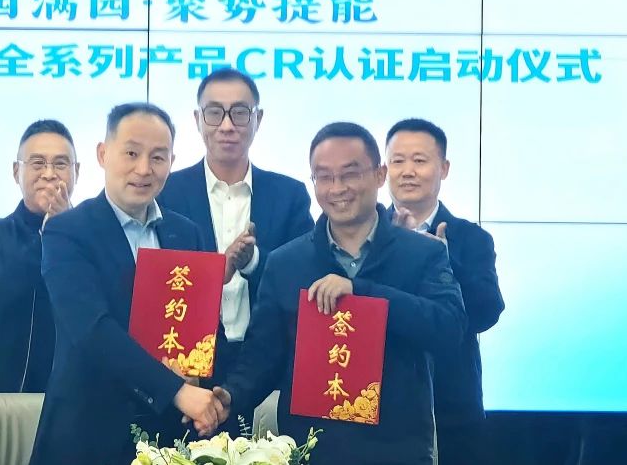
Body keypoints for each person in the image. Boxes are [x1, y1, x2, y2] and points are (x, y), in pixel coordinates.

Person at [215, 122, 466, 465]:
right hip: (310, 451)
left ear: (379, 175)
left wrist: (362, 292)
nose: (337, 188)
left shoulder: (422, 253)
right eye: (324, 177)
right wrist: (229, 396)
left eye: (350, 174)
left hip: (397, 451)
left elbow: (450, 329)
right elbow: (262, 357)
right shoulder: (286, 262)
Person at [28, 103, 227, 465]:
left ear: (172, 162)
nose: (144, 169)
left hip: (170, 437)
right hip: (88, 437)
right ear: (103, 154)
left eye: (158, 157)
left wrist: (207, 386)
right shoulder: (67, 231)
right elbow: (92, 330)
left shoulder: (187, 233)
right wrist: (176, 390)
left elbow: (206, 327)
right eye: (132, 153)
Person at [161, 68, 314, 404]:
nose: (227, 125)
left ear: (258, 119)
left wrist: (252, 261)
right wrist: (217, 270)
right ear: (198, 119)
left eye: (240, 113)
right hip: (184, 368)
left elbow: (304, 278)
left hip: (267, 366)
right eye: (215, 112)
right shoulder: (167, 193)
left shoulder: (289, 195)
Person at [385, 118, 505, 465]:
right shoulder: (366, 234)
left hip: (451, 403)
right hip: (379, 402)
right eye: (398, 161)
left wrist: (443, 262)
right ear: (383, 170)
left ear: (444, 168)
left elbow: (487, 311)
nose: (408, 171)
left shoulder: (471, 238)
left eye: (420, 160)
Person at [0, 119, 78, 393]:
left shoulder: (92, 236)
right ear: (17, 172)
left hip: (78, 396)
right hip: (6, 393)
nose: (49, 174)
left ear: (77, 172)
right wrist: (48, 237)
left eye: (60, 164)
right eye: (38, 163)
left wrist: (67, 230)